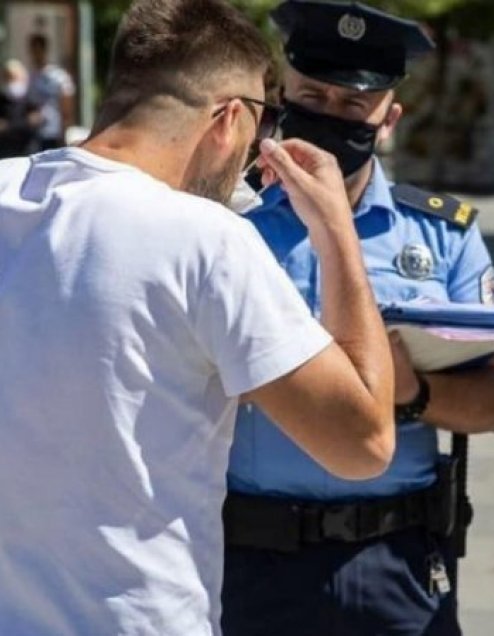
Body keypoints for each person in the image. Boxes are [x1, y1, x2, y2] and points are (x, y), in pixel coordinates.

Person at [0, 0, 397, 633]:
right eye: (263, 122)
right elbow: (363, 443)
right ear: (230, 118)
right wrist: (338, 234)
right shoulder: (205, 240)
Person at [221, 1, 494, 635]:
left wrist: (413, 395)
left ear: (388, 119)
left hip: (397, 559)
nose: (330, 115)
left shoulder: (442, 234)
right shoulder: (224, 224)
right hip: (249, 557)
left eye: (353, 106)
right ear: (282, 95)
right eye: (312, 96)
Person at [26, 33, 76, 150]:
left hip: (53, 131)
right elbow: (29, 104)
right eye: (33, 51)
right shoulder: (32, 77)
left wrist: (64, 131)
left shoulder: (58, 76)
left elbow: (66, 106)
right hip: (36, 132)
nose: (35, 55)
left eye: (38, 50)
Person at [0, 58, 35, 158]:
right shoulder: (2, 99)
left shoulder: (30, 99)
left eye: (13, 77)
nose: (11, 81)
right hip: (6, 150)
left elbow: (34, 121)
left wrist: (8, 126)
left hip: (26, 149)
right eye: (7, 77)